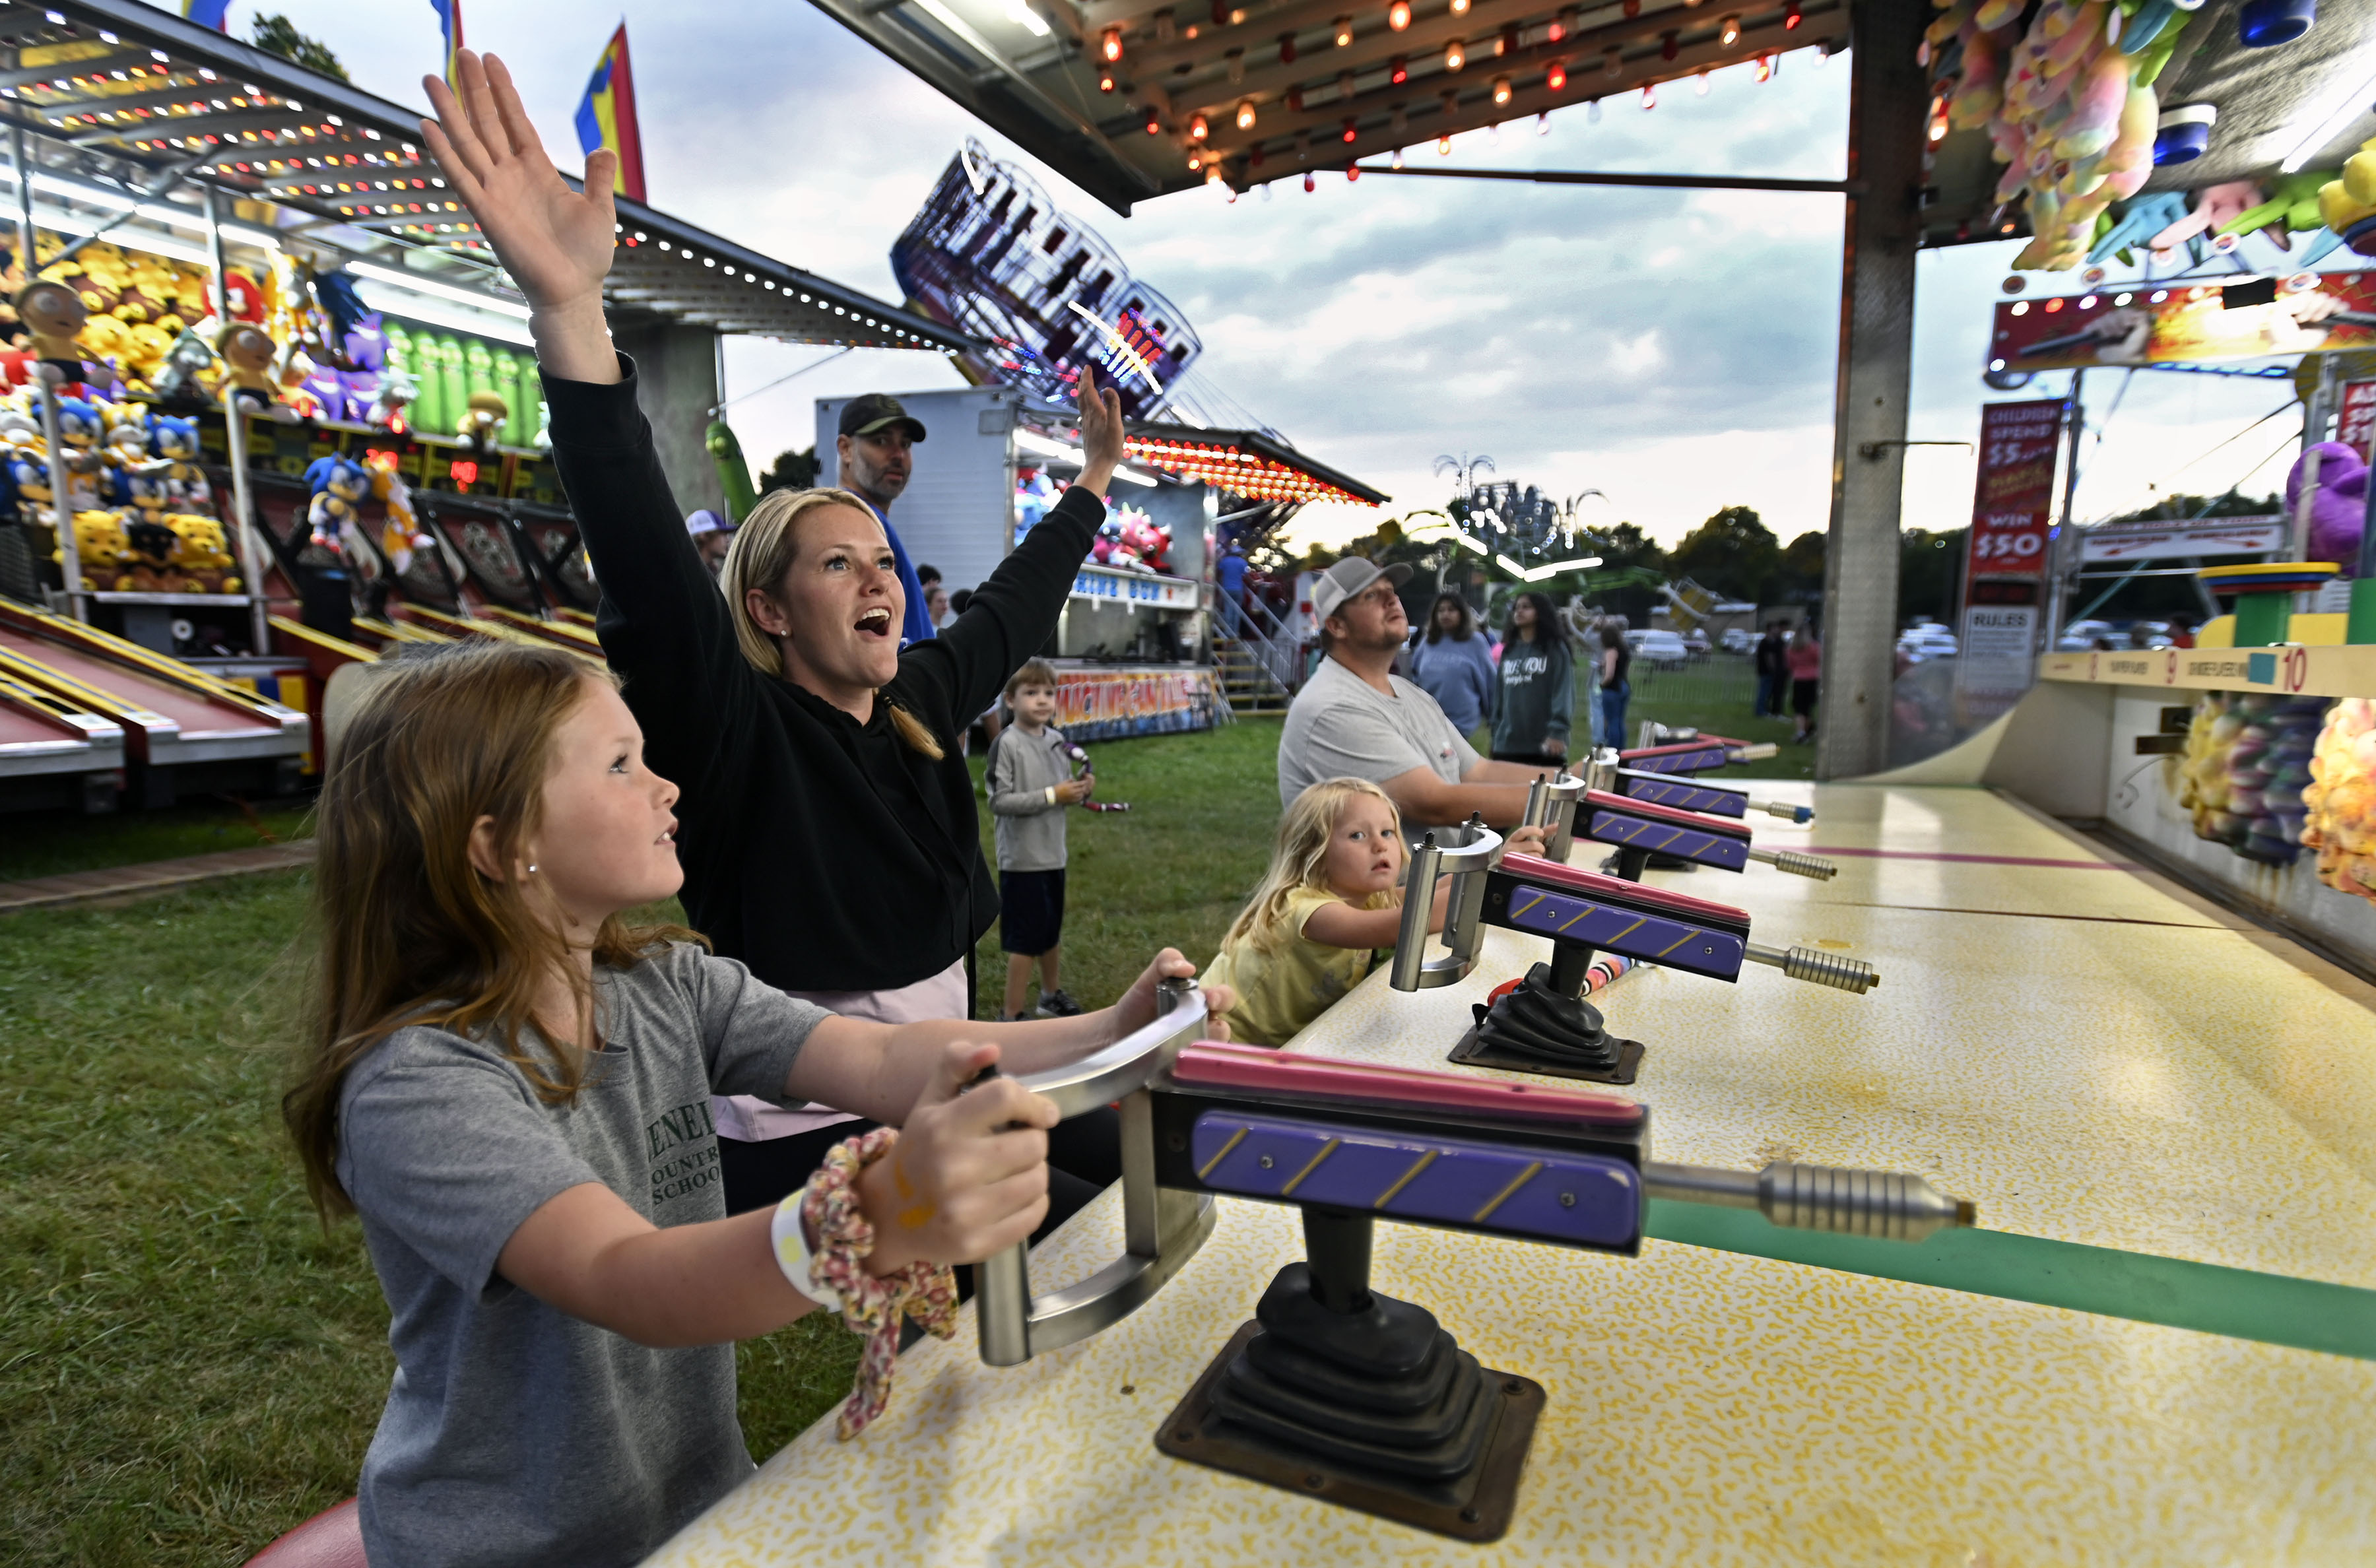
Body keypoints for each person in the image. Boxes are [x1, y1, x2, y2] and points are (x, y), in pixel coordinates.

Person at [286, 639, 1235, 1568]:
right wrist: (862, 1218)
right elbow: (628, 1279)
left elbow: (881, 1058)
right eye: (622, 767)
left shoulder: (662, 986)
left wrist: (1113, 1029)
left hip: (700, 1503)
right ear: (498, 844)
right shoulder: (419, 1085)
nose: (668, 789)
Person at [419, 50, 1126, 1224]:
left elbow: (1014, 607)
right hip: (810, 1121)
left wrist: (1095, 483)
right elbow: (643, 559)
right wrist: (569, 312)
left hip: (938, 1065)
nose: (876, 583)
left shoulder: (917, 707)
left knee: (1142, 1148)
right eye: (834, 564)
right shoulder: (732, 727)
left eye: (879, 563)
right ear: (766, 609)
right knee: (1072, 1212)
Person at [1207, 777, 1539, 1047]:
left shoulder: (1363, 898)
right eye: (1357, 835)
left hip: (1287, 1041)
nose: (1379, 845)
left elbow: (1425, 895)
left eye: (1387, 832)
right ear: (1315, 852)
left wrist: (1493, 861)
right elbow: (1410, 920)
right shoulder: (1309, 911)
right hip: (1225, 1040)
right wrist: (1487, 877)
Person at [1276, 556, 1575, 828]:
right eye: (1371, 596)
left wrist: (1572, 780)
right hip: (1391, 890)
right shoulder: (1332, 707)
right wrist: (1567, 799)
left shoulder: (1411, 694)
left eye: (1391, 591)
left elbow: (1478, 773)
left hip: (1441, 883)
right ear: (1337, 626)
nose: (1392, 600)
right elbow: (1434, 804)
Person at [986, 659, 1088, 1020]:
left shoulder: (1058, 741)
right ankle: (1011, 1015)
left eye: (1049, 692)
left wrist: (1078, 790)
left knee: (1050, 933)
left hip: (1052, 856)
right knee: (1025, 942)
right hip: (1022, 859)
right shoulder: (1006, 744)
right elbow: (1000, 801)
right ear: (1010, 700)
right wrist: (1052, 795)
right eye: (1032, 693)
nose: (1042, 700)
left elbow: (1061, 791)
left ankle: (1049, 997)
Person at [836, 397, 936, 647]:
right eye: (881, 441)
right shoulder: (854, 518)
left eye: (906, 444)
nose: (898, 455)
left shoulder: (871, 519)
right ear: (845, 449)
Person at [1488, 591, 1571, 764]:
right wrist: (1496, 735)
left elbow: (1563, 691)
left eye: (1526, 607)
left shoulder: (1554, 648)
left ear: (1540, 612)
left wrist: (1558, 733)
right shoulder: (1509, 651)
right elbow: (1500, 696)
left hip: (1544, 745)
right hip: (1507, 745)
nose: (1519, 611)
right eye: (1516, 608)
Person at [1406, 592, 1494, 741]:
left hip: (1465, 728)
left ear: (1462, 613)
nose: (1445, 614)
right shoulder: (1427, 642)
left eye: (1451, 610)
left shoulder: (1475, 642)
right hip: (1429, 724)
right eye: (1441, 610)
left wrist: (1493, 718)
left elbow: (1490, 681)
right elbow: (1414, 679)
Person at [1596, 623, 1632, 750]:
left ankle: (1613, 748)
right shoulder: (1624, 650)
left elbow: (1609, 675)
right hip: (1624, 686)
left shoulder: (1611, 651)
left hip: (1612, 689)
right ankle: (1622, 748)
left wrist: (1601, 684)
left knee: (1612, 721)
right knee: (1620, 720)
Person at [1787, 622, 1822, 744]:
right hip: (1812, 678)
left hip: (1798, 678)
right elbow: (1819, 660)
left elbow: (1790, 664)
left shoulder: (1792, 648)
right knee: (1808, 707)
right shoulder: (1813, 647)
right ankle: (1807, 731)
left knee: (1799, 707)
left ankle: (1801, 731)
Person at [1215, 537, 1249, 639]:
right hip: (1238, 590)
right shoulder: (1242, 562)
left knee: (1228, 610)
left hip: (1227, 589)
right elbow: (1246, 576)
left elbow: (1219, 573)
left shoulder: (1224, 561)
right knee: (1237, 611)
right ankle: (1235, 633)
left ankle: (1228, 632)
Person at [686, 509, 732, 579]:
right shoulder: (689, 574)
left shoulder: (713, 572)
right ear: (704, 536)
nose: (727, 540)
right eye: (723, 534)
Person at [1754, 621, 1787, 719]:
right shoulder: (1766, 642)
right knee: (1764, 692)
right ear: (1770, 629)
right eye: (1775, 628)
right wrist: (1773, 669)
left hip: (1767, 671)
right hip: (1766, 671)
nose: (1777, 630)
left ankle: (1764, 710)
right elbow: (1769, 657)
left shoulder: (1772, 641)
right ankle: (1760, 711)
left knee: (1767, 691)